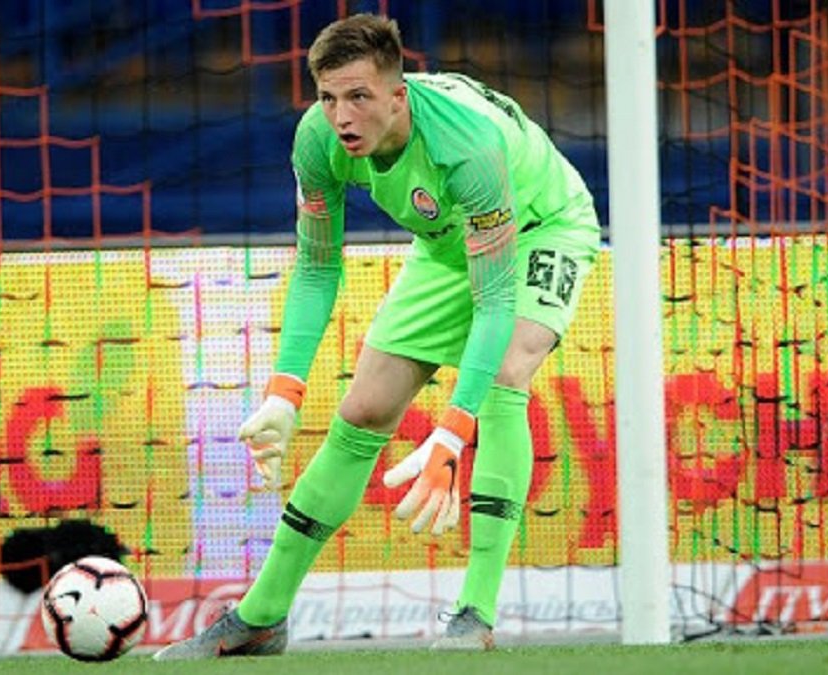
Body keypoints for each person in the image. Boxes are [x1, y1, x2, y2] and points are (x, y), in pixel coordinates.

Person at [154, 13, 600, 659]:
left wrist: (452, 432)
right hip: (446, 249)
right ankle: (261, 616)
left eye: (359, 96)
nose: (342, 116)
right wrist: (284, 390)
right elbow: (317, 266)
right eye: (329, 97)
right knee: (364, 409)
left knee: (505, 376)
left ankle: (474, 614)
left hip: (541, 228)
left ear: (398, 95)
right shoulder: (317, 141)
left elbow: (497, 299)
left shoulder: (466, 146)